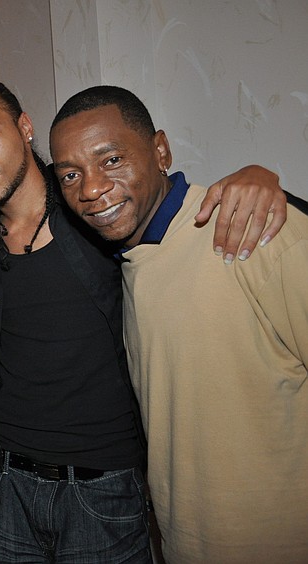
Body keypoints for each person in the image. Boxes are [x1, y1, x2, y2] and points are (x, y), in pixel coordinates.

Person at [0, 78, 286, 563]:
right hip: (3, 486)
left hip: (102, 490)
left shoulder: (98, 214)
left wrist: (260, 175)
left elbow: (173, 209)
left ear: (24, 128)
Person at [50, 85, 308, 563]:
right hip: (184, 541)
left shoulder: (255, 226)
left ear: (160, 150)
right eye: (70, 174)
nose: (89, 189)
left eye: (110, 160)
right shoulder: (127, 262)